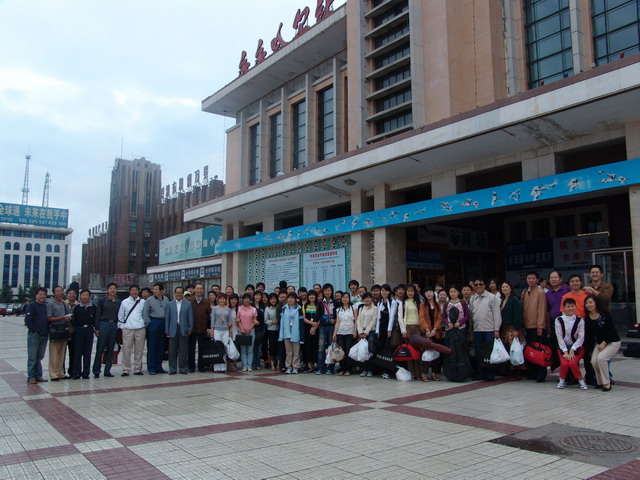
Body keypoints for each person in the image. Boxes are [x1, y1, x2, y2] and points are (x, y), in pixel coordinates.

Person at [468, 278, 501, 382]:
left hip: (489, 329)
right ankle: (480, 373)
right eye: (476, 284)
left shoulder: (492, 297)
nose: (478, 286)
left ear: (485, 285)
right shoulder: (473, 298)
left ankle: (490, 374)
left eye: (480, 284)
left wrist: (496, 329)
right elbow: (470, 314)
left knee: (488, 352)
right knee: (478, 352)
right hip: (477, 329)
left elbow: (497, 314)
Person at [585, 295, 620, 392]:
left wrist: (604, 343)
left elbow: (612, 330)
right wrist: (590, 350)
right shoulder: (587, 318)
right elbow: (589, 336)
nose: (588, 305)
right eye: (586, 303)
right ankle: (600, 382)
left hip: (612, 342)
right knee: (594, 361)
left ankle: (607, 383)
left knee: (601, 358)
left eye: (590, 302)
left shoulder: (605, 314)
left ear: (596, 303)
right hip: (599, 343)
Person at [555, 298, 588, 390]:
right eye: (568, 306)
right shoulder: (559, 320)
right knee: (565, 364)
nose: (570, 308)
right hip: (563, 348)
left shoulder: (580, 320)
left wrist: (573, 349)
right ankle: (562, 380)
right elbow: (559, 336)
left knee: (572, 363)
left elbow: (581, 337)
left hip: (577, 348)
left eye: (572, 306)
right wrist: (565, 351)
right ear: (564, 308)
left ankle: (581, 381)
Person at [521, 271, 548, 382]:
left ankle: (541, 374)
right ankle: (532, 372)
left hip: (537, 327)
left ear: (537, 280)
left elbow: (542, 310)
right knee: (530, 351)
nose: (531, 280)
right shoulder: (525, 292)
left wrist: (540, 327)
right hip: (527, 326)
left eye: (533, 278)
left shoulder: (540, 292)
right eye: (529, 278)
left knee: (539, 351)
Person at [92, 282, 121, 378]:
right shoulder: (102, 300)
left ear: (116, 290)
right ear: (108, 290)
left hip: (114, 325)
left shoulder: (119, 302)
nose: (112, 290)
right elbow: (98, 314)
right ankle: (96, 371)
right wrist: (97, 328)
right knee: (100, 349)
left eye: (114, 288)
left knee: (111, 349)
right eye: (111, 288)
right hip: (103, 324)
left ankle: (107, 370)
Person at [117, 285, 146, 376]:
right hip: (128, 329)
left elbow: (145, 314)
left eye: (136, 290)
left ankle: (138, 369)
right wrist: (123, 327)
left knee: (139, 350)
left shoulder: (143, 302)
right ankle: (126, 369)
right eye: (132, 290)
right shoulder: (124, 302)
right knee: (126, 350)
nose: (134, 292)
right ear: (129, 291)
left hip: (140, 328)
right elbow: (120, 316)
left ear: (138, 291)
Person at [142, 282, 170, 375]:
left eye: (156, 289)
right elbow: (145, 313)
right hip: (153, 322)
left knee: (161, 346)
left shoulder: (166, 299)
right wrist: (149, 324)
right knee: (152, 346)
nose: (154, 291)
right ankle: (151, 367)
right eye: (153, 289)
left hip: (163, 323)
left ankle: (159, 366)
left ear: (162, 291)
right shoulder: (149, 300)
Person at [165, 286, 193, 374]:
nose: (179, 294)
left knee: (183, 350)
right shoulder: (170, 304)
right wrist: (167, 330)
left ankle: (182, 368)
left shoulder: (188, 304)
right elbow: (167, 318)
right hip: (173, 329)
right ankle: (172, 369)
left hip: (183, 329)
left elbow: (190, 317)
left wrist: (190, 328)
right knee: (172, 351)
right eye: (177, 292)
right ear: (175, 293)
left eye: (180, 293)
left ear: (183, 294)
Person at [395, 285, 420, 380]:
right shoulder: (402, 303)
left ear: (415, 292)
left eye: (412, 291)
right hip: (408, 328)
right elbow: (400, 317)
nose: (410, 293)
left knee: (417, 350)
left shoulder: (418, 302)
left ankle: (418, 373)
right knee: (410, 351)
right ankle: (411, 373)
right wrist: (403, 330)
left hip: (417, 328)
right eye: (408, 291)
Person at [71, 289, 97, 379]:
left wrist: (96, 329)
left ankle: (86, 372)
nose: (85, 297)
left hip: (89, 330)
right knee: (77, 352)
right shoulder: (77, 307)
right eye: (83, 295)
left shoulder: (94, 307)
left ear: (89, 296)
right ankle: (76, 372)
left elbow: (96, 320)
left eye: (86, 295)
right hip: (79, 330)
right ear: (80, 296)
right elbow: (73, 320)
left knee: (87, 352)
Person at [47, 285, 71, 381]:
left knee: (62, 353)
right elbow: (49, 318)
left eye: (61, 291)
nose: (60, 293)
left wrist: (68, 318)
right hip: (54, 330)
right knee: (54, 353)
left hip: (63, 330)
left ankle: (61, 373)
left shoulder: (65, 304)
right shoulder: (50, 304)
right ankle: (53, 374)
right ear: (54, 293)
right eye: (57, 291)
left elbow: (67, 315)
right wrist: (61, 318)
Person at [26, 287, 49, 384]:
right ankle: (31, 377)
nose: (42, 296)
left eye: (44, 294)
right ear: (36, 295)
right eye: (40, 294)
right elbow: (28, 320)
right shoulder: (31, 306)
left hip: (44, 334)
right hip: (34, 335)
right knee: (32, 357)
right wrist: (35, 330)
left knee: (40, 356)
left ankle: (39, 376)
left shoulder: (46, 306)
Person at [188, 283, 212, 373]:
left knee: (202, 348)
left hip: (202, 328)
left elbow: (208, 315)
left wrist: (208, 328)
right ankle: (191, 366)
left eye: (201, 289)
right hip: (192, 329)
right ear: (194, 290)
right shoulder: (189, 301)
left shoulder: (206, 302)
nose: (199, 290)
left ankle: (201, 366)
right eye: (197, 289)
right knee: (191, 348)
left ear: (203, 290)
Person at [420, 287, 442, 381]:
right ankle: (424, 373)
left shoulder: (437, 305)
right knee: (426, 354)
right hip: (426, 333)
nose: (429, 294)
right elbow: (421, 317)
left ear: (433, 293)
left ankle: (434, 373)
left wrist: (435, 329)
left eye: (430, 292)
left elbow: (440, 318)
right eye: (426, 292)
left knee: (436, 354)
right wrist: (427, 329)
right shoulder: (422, 305)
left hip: (435, 332)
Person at [279, 293, 304, 374]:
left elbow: (301, 323)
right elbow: (282, 322)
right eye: (289, 298)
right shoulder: (284, 309)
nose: (290, 300)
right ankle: (288, 367)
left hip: (296, 333)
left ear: (296, 299)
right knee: (288, 352)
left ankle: (296, 367)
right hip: (287, 333)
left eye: (292, 298)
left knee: (296, 352)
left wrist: (302, 336)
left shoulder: (299, 309)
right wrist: (281, 335)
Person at [333, 292, 356, 376]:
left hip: (350, 332)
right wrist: (334, 333)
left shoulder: (353, 308)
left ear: (349, 299)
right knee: (341, 351)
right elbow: (337, 322)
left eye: (347, 297)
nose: (345, 299)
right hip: (340, 332)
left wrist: (355, 331)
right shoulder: (338, 309)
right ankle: (342, 368)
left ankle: (348, 369)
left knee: (348, 350)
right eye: (343, 297)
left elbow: (356, 320)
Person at [356, 292, 378, 377]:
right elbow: (358, 320)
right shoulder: (361, 308)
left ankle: (370, 370)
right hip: (362, 331)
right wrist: (360, 331)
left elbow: (373, 321)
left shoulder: (375, 308)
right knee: (363, 351)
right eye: (365, 298)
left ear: (371, 298)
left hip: (371, 331)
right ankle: (364, 369)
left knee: (370, 351)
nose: (367, 299)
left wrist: (366, 332)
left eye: (368, 298)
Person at [317, 283, 336, 375]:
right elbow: (318, 316)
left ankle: (330, 368)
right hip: (322, 327)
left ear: (331, 291)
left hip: (332, 327)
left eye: (329, 290)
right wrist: (314, 326)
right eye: (325, 291)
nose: (327, 292)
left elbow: (338, 315)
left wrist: (335, 320)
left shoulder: (336, 302)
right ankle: (321, 368)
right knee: (321, 348)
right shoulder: (320, 303)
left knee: (331, 348)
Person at [210, 293, 232, 372]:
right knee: (217, 348)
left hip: (225, 330)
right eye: (220, 299)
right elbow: (212, 320)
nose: (222, 300)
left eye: (223, 299)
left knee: (224, 348)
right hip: (217, 330)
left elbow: (230, 321)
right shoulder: (214, 308)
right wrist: (212, 330)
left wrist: (228, 324)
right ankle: (216, 367)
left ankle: (223, 367)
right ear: (218, 299)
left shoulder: (228, 309)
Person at [236, 293, 258, 372]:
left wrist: (248, 330)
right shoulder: (239, 308)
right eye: (245, 298)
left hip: (251, 331)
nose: (246, 300)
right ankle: (244, 365)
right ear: (243, 299)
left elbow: (254, 320)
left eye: (248, 298)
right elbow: (238, 320)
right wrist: (242, 329)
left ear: (250, 299)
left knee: (250, 349)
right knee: (243, 350)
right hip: (241, 331)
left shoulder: (253, 309)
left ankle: (249, 365)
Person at [302, 290, 321, 373]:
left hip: (317, 328)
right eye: (310, 295)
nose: (311, 297)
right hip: (307, 328)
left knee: (316, 346)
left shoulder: (319, 305)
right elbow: (304, 318)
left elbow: (320, 316)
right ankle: (309, 365)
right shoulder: (305, 305)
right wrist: (312, 323)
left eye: (313, 295)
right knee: (308, 346)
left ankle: (316, 364)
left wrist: (315, 327)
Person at [64, 288, 79, 376]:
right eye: (70, 293)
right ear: (67, 295)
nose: (72, 295)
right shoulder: (63, 304)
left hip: (74, 331)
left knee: (73, 352)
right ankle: (61, 371)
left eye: (73, 293)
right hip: (63, 331)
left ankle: (72, 371)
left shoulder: (79, 305)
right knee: (62, 353)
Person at [264, 293, 280, 371]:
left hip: (279, 330)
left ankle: (278, 363)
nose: (273, 300)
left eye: (274, 298)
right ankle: (272, 363)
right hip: (271, 330)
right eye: (271, 299)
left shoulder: (279, 307)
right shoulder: (267, 309)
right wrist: (272, 322)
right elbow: (265, 320)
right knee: (272, 347)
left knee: (278, 347)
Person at [252, 291, 266, 370]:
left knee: (258, 347)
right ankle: (252, 363)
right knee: (253, 347)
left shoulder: (262, 305)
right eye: (256, 295)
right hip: (252, 328)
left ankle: (257, 364)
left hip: (261, 329)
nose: (258, 297)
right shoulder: (251, 305)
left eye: (259, 295)